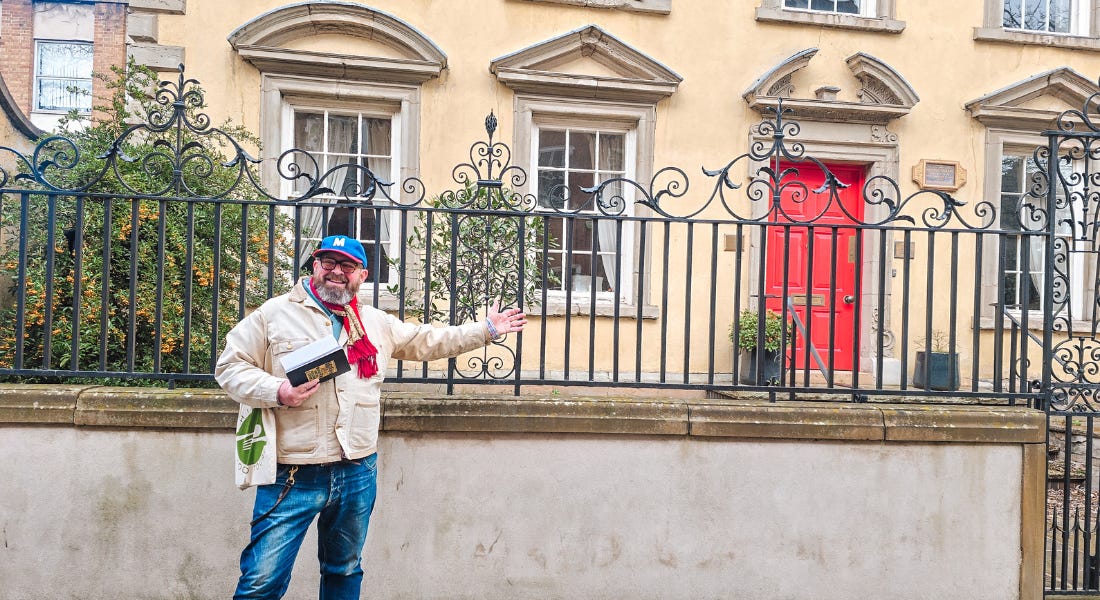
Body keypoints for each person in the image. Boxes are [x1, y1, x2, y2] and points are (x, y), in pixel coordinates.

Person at [215, 234, 526, 600]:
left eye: (347, 266)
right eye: (328, 262)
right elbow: (230, 368)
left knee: (344, 570)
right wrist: (277, 390)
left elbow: (429, 341)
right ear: (314, 266)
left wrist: (486, 330)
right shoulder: (273, 314)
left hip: (357, 470)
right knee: (261, 582)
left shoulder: (375, 322)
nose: (336, 272)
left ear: (362, 275)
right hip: (293, 472)